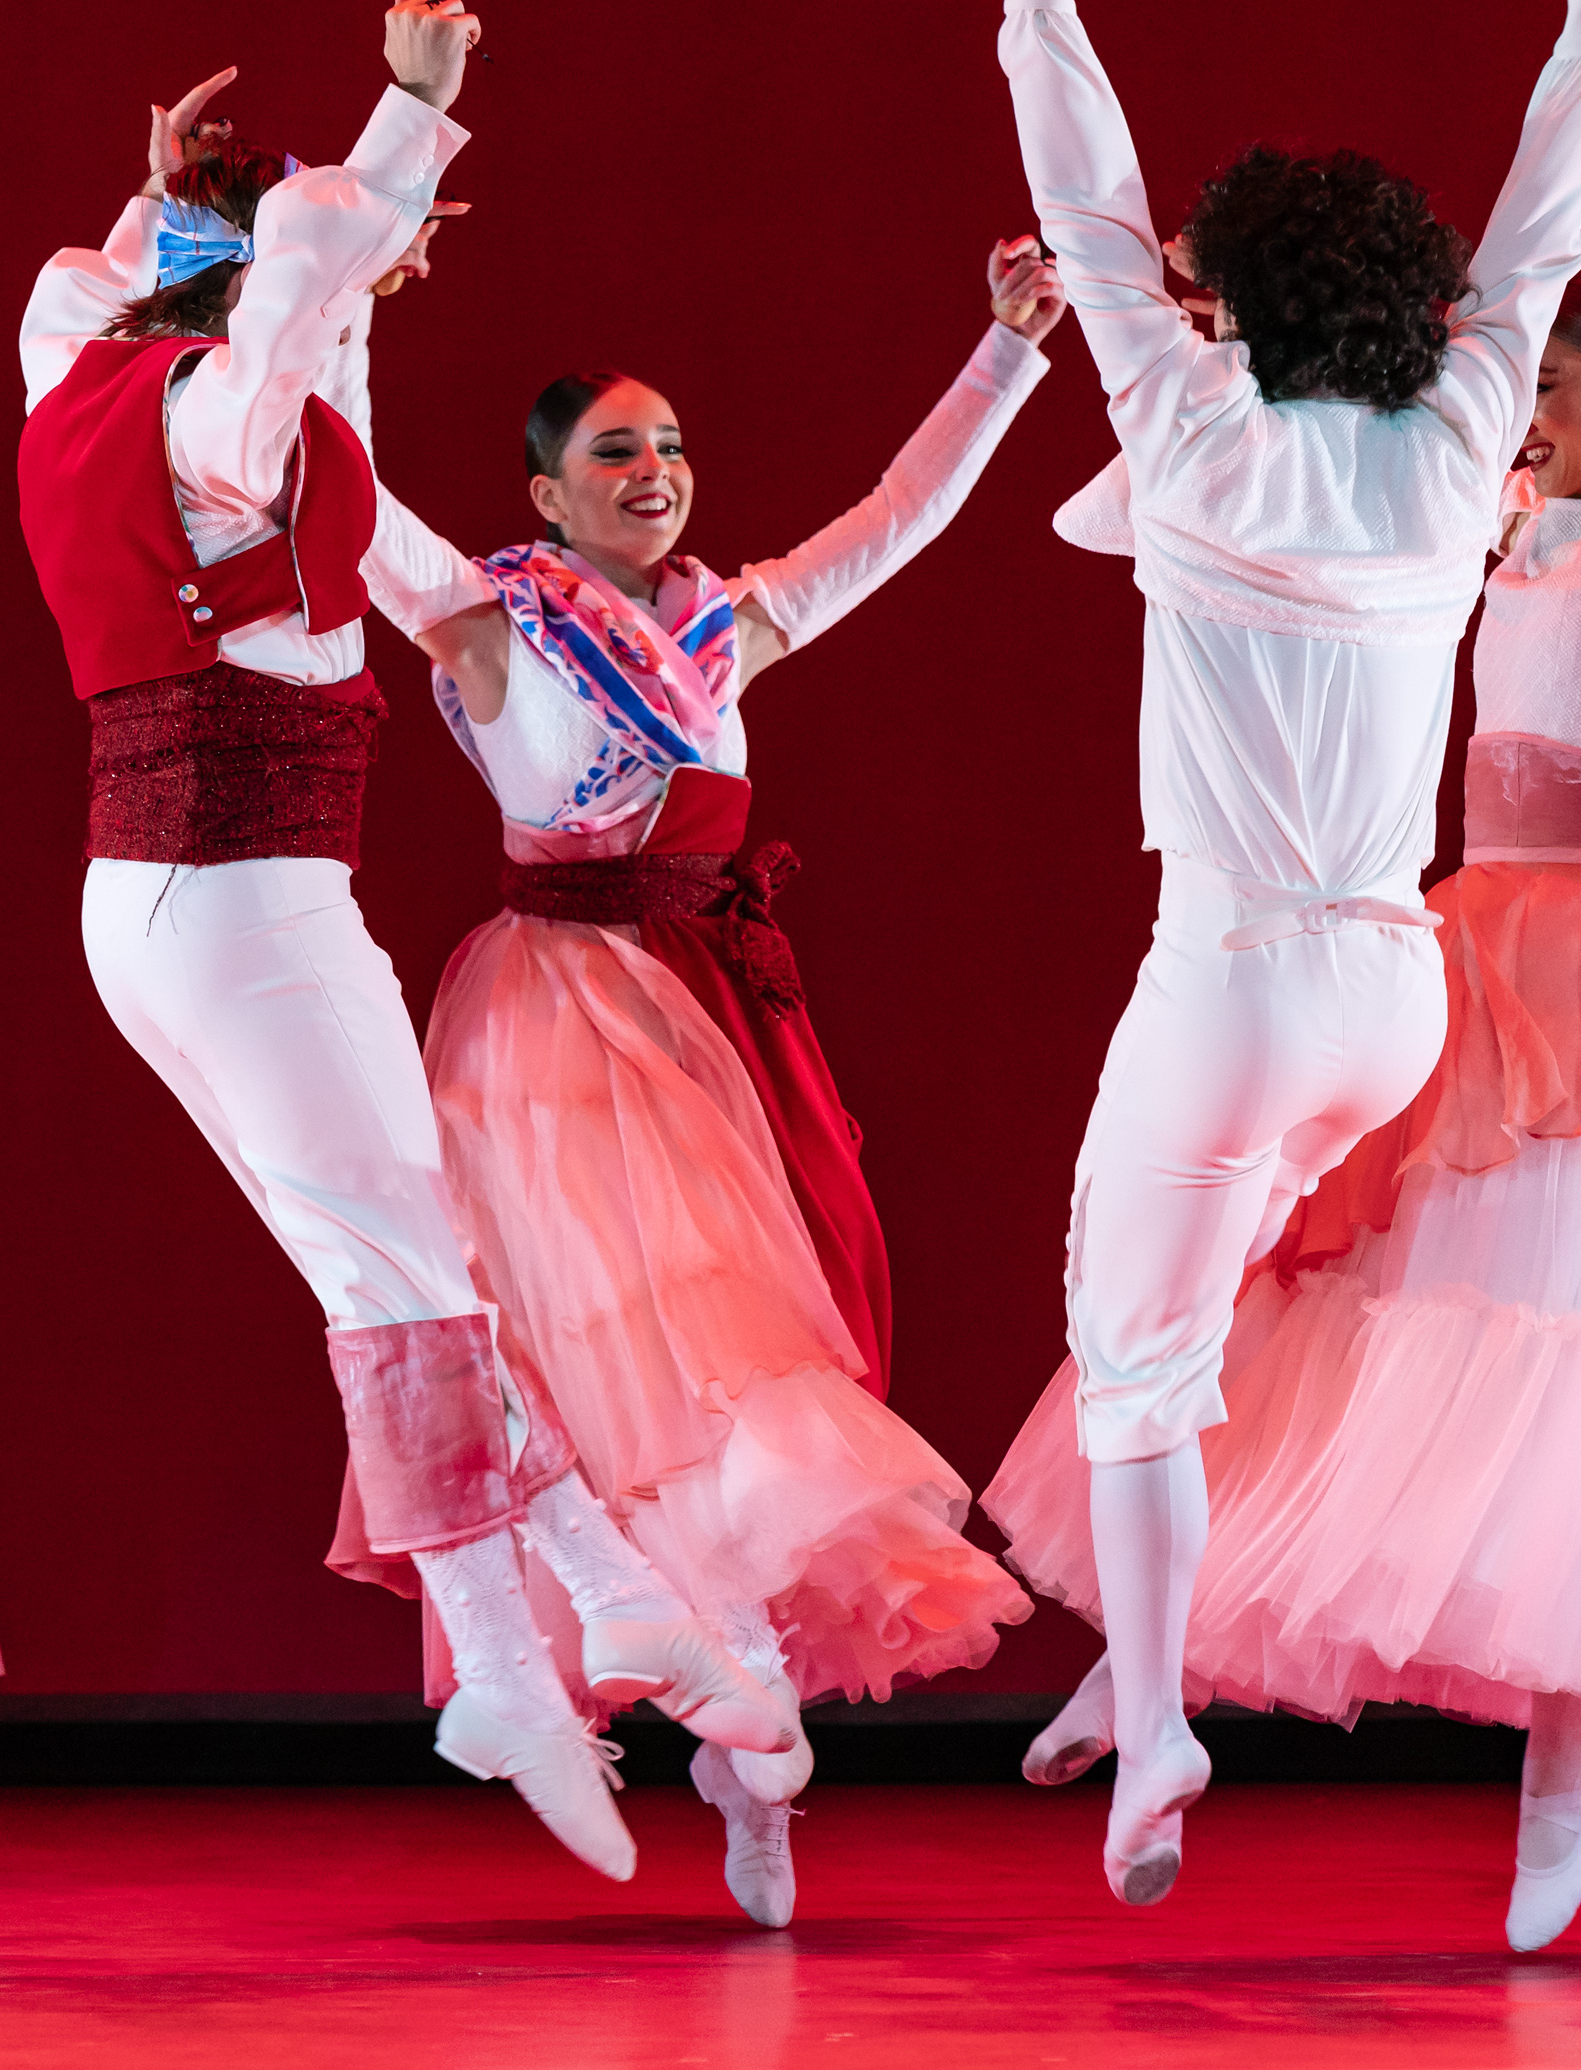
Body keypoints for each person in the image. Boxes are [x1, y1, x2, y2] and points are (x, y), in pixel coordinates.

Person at [990, 200, 1581, 1948]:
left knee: (1575, 1368)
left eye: (1555, 390)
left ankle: (1567, 1760)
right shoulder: (1495, 514)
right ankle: (1158, 1652)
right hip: (1451, 947)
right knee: (1296, 1285)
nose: (1525, 419)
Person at [12, 0, 786, 1884]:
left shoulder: (64, 372)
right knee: (404, 1283)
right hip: (252, 902)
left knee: (402, 1267)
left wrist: (170, 193)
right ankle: (522, 1655)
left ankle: (583, 1604)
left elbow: (217, 287)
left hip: (157, 905)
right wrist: (410, 113)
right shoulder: (214, 415)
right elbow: (289, 302)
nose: (369, 292)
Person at [991, 0, 1581, 1903]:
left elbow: (1080, 202)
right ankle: (1169, 1680)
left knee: (1132, 1359)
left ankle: (1158, 1707)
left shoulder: (1185, 430)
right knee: (1227, 1306)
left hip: (1238, 975)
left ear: (1235, 295)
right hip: (1394, 993)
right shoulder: (1464, 440)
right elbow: (1544, 232)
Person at [394, 237, 1061, 1925]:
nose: (654, 471)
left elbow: (894, 521)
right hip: (553, 1033)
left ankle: (748, 1731)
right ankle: (709, 1684)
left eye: (669, 444)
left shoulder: (717, 626)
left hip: (704, 1020)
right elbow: (348, 506)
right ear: (544, 491)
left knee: (741, 1357)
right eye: (613, 451)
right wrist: (336, 291)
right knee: (628, 1364)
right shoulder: (493, 629)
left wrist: (1000, 351)